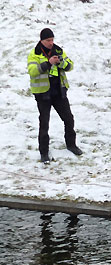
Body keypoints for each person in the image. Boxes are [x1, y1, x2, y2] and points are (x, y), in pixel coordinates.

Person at [27, 28, 82, 164]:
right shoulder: (34, 54)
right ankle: (44, 152)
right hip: (43, 94)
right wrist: (48, 63)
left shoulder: (58, 50)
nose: (51, 43)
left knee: (69, 119)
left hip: (59, 92)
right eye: (48, 40)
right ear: (42, 40)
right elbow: (32, 71)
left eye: (52, 40)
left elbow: (70, 66)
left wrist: (61, 63)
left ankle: (71, 145)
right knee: (44, 123)